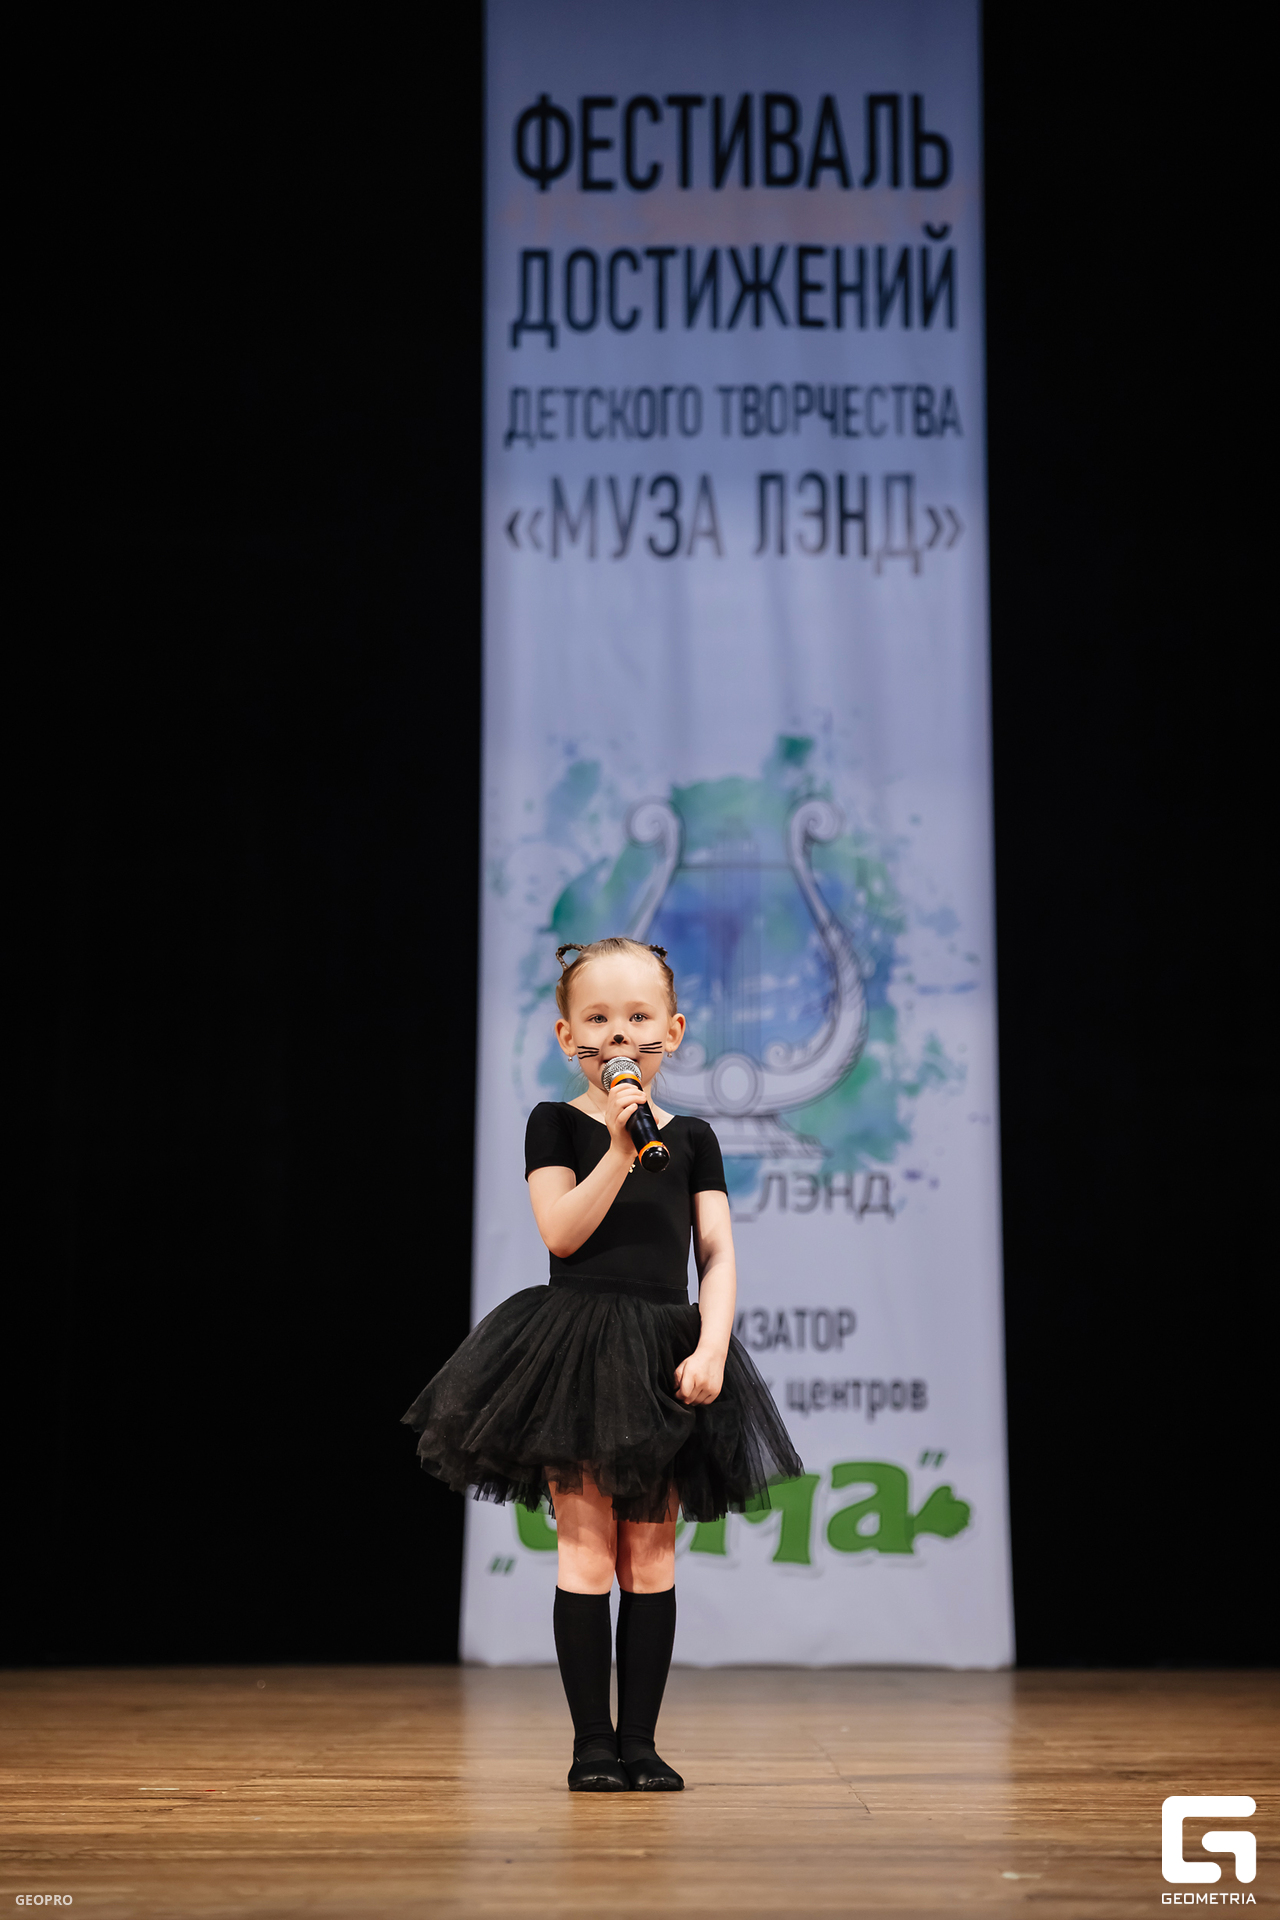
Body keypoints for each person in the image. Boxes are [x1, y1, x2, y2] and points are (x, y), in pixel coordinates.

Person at [403, 936, 803, 1791]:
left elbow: (717, 1253)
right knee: (587, 1553)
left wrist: (712, 1345)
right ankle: (592, 1744)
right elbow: (561, 1232)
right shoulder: (555, 1123)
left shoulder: (692, 1138)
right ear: (567, 1036)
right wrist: (620, 1148)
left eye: (637, 1018)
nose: (619, 1037)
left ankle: (641, 1743)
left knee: (649, 1557)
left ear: (673, 1031)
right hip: (578, 1350)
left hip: (663, 1350)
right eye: (597, 1020)